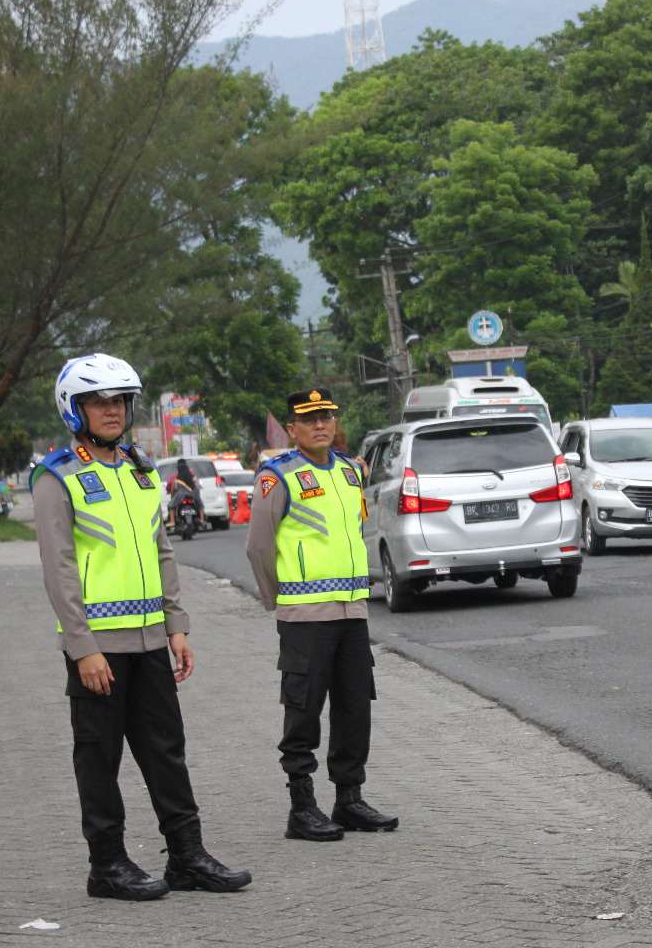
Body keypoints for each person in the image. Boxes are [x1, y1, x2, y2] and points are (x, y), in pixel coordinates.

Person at [32, 354, 251, 901]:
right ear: (74, 409)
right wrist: (81, 647)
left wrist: (177, 624)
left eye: (118, 402)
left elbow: (161, 550)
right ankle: (107, 865)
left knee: (165, 751)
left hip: (153, 638)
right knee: (99, 755)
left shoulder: (139, 469)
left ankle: (187, 857)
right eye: (98, 402)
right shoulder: (57, 478)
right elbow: (59, 570)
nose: (111, 411)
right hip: (98, 649)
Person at [246, 387, 397, 841]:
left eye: (327, 417)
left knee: (354, 709)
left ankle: (349, 799)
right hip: (305, 617)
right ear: (292, 429)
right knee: (303, 710)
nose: (321, 425)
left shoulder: (351, 472)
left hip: (353, 613)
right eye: (310, 419)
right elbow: (258, 546)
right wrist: (281, 601)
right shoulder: (278, 476)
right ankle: (302, 807)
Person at [168, 458, 196, 530]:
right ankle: (202, 519)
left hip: (180, 495)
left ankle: (172, 521)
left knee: (171, 506)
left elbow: (173, 487)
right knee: (199, 505)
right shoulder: (192, 475)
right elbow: (197, 486)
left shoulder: (176, 477)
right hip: (192, 495)